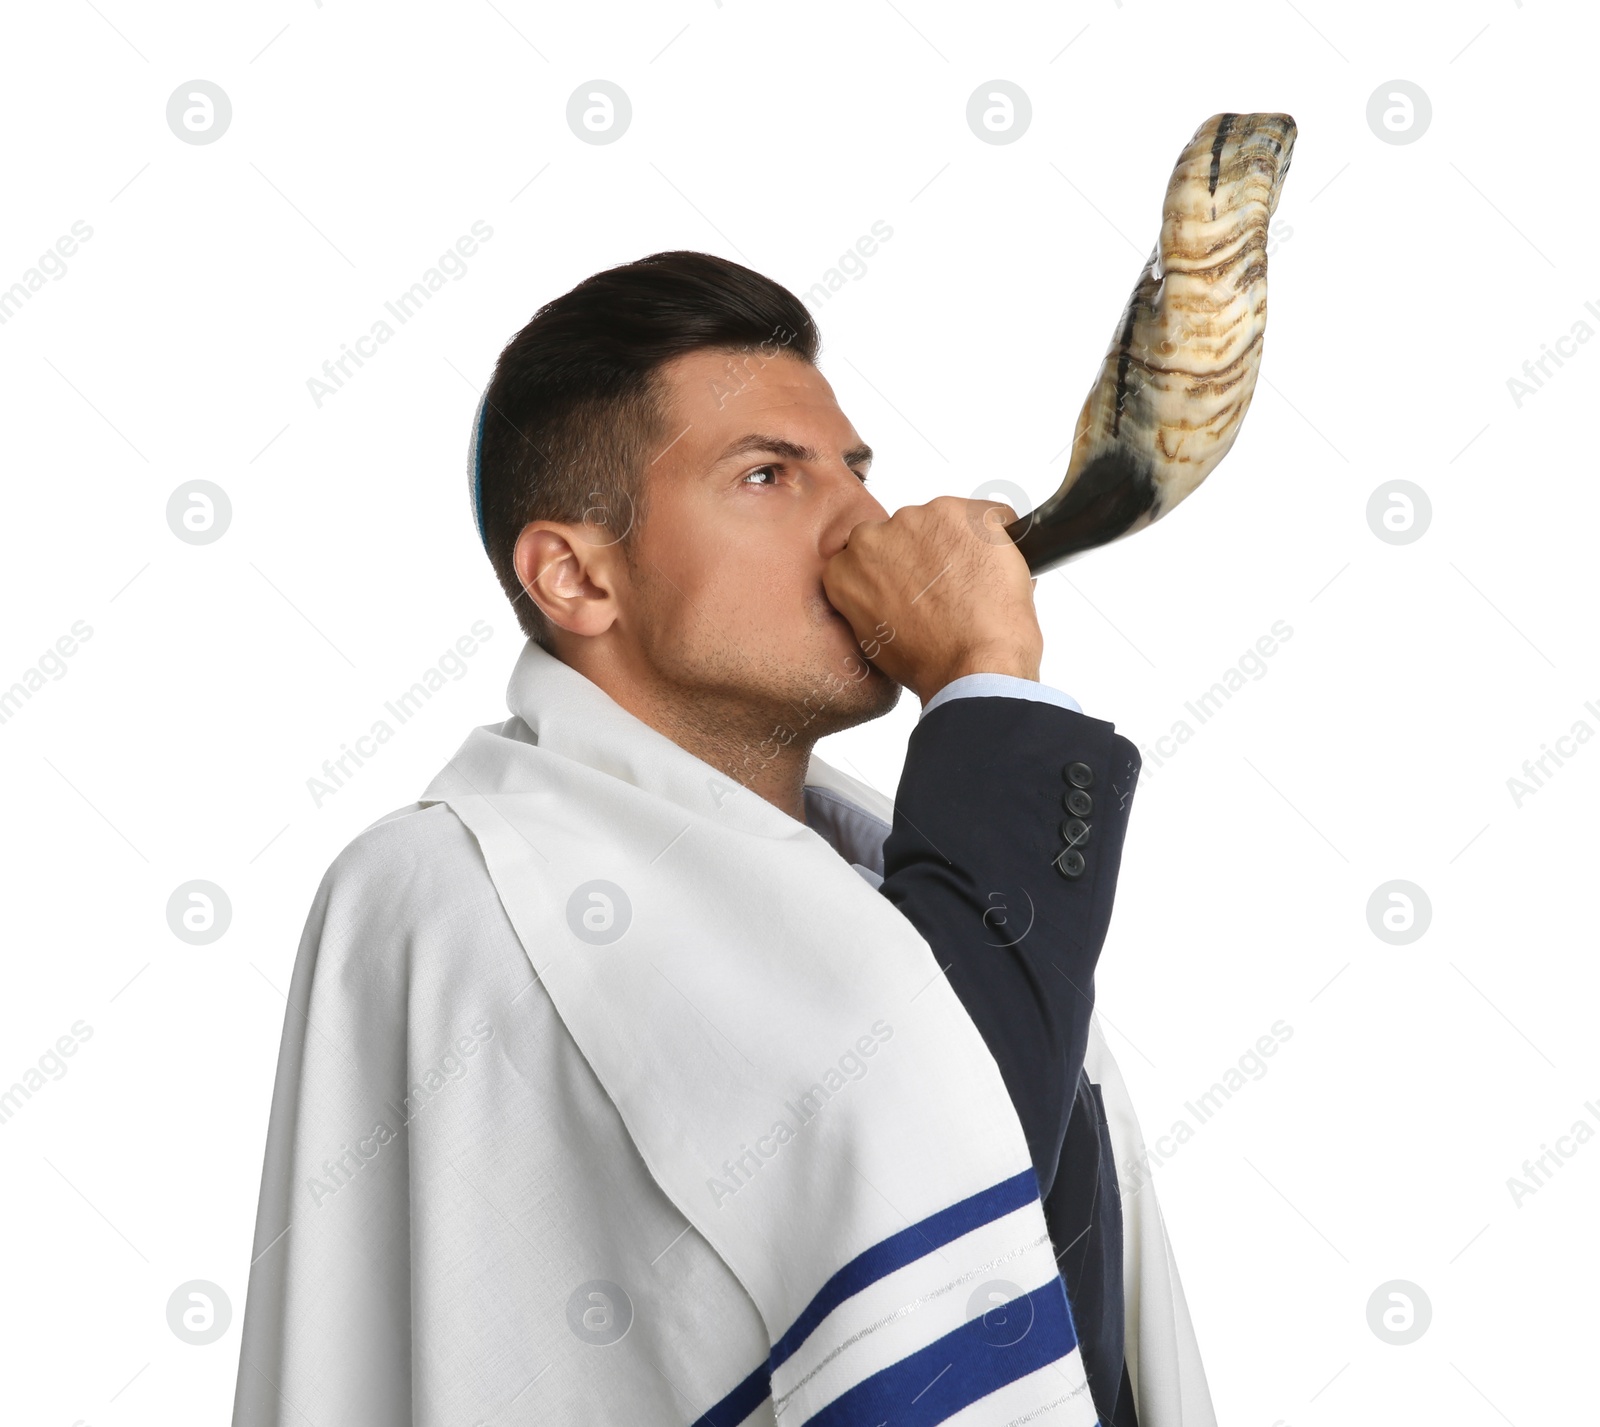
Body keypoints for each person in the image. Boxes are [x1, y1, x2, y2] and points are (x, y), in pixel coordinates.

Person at [233, 251, 1213, 1426]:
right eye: (767, 474)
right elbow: (950, 1141)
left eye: (856, 470)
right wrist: (984, 687)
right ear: (575, 577)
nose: (864, 518)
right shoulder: (462, 886)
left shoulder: (890, 882)